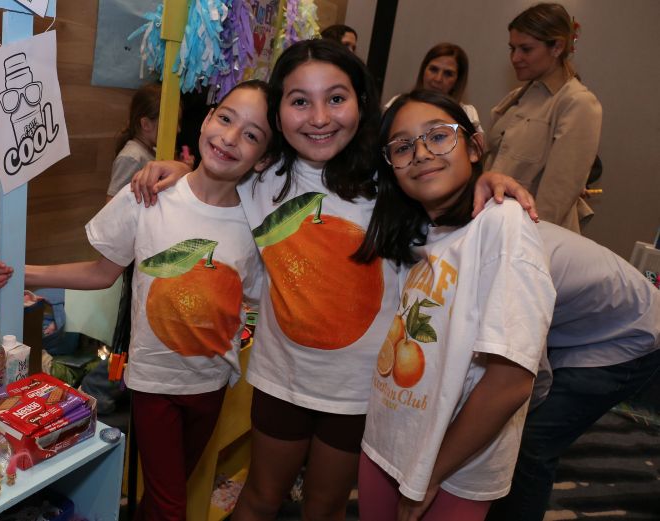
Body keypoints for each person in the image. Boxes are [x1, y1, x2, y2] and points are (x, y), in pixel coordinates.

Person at [131, 39, 536, 521]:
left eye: (336, 98)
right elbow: (210, 180)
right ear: (278, 111)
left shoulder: (392, 176)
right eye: (300, 101)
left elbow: (446, 182)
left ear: (361, 103)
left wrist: (489, 179)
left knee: (323, 509)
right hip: (282, 377)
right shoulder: (262, 176)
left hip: (363, 390)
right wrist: (177, 170)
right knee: (259, 499)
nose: (320, 117)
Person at [0, 80, 275, 521]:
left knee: (165, 495)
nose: (231, 138)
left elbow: (255, 296)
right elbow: (102, 272)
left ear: (263, 158)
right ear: (205, 120)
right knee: (170, 506)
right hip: (154, 383)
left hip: (212, 385)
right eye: (225, 118)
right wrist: (26, 272)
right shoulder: (148, 195)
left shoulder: (257, 219)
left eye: (252, 135)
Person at [355, 90, 556, 521]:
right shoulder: (421, 229)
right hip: (390, 440)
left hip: (452, 467)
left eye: (438, 136)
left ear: (474, 146)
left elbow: (511, 380)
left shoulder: (503, 223)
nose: (422, 153)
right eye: (403, 147)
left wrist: (430, 476)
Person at [485, 227, 660, 521]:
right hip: (597, 323)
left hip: (631, 338)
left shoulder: (512, 270)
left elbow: (531, 381)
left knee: (532, 443)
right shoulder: (493, 236)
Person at [485, 2, 602, 233]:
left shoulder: (577, 103)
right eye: (512, 48)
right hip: (494, 225)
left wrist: (527, 245)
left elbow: (555, 200)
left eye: (526, 49)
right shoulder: (516, 97)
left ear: (557, 47)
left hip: (529, 237)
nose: (515, 57)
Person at [385, 43, 482, 133]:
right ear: (423, 70)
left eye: (448, 74)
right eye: (433, 69)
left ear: (457, 81)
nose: (438, 79)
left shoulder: (468, 115)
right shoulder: (398, 104)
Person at [108, 83, 162, 201]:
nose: (177, 129)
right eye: (170, 123)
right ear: (146, 124)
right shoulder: (132, 157)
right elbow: (112, 203)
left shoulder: (153, 150)